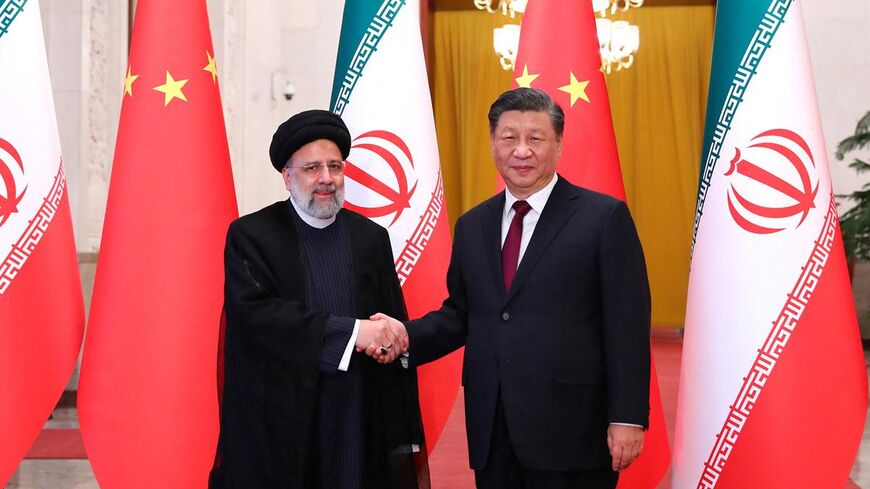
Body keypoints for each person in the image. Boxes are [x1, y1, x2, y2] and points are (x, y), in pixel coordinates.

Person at [374, 88, 651, 489]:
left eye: (535, 138)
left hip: (572, 430)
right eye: (509, 138)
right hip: (493, 427)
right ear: (493, 144)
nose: (521, 150)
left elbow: (627, 325)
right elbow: (461, 315)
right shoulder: (473, 226)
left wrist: (627, 416)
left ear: (558, 144)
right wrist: (402, 336)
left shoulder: (603, 218)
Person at [209, 109, 427, 489]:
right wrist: (353, 334)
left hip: (358, 411)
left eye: (335, 166)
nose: (326, 179)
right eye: (312, 168)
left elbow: (389, 323)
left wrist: (389, 342)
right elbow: (258, 318)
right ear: (287, 177)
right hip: (284, 419)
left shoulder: (370, 238)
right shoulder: (252, 235)